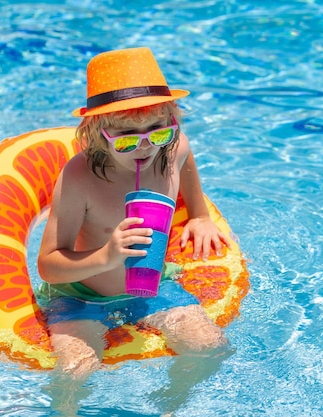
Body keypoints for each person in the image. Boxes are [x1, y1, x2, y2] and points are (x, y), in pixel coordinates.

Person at [37, 47, 233, 389]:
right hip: (82, 295)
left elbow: (185, 163)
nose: (145, 147)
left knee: (210, 348)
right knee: (76, 370)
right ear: (97, 132)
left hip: (152, 288)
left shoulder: (175, 148)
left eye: (157, 130)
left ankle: (171, 406)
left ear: (173, 120)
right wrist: (107, 255)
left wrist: (200, 216)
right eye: (127, 138)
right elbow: (49, 265)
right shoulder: (79, 178)